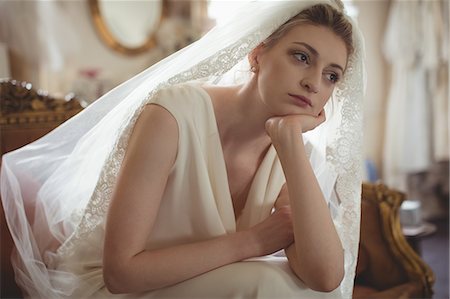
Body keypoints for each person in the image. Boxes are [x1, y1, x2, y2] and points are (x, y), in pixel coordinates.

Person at [0, 0, 365, 298]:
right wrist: (252, 241)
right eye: (301, 57)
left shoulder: (292, 148)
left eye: (331, 75)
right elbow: (121, 273)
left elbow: (327, 278)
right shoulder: (171, 115)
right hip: (125, 292)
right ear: (258, 55)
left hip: (208, 283)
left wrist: (290, 147)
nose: (313, 83)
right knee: (267, 284)